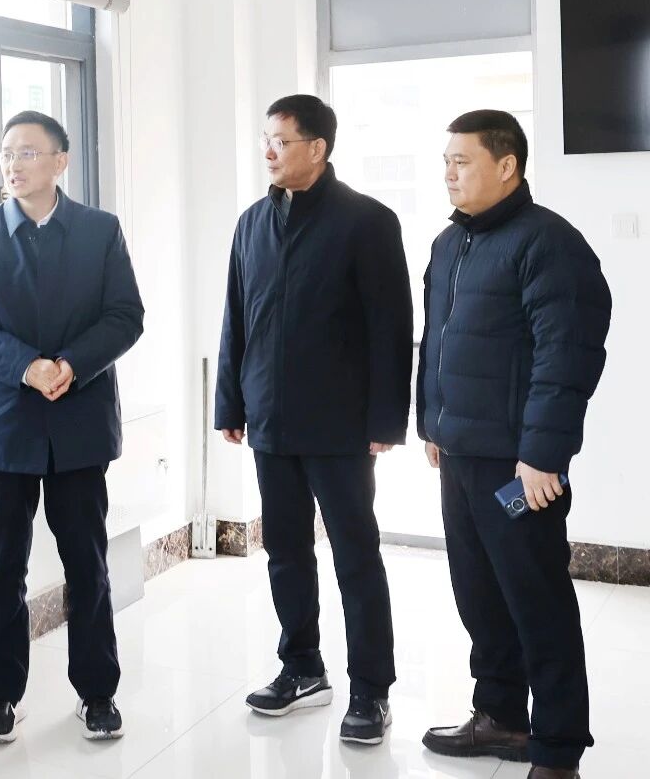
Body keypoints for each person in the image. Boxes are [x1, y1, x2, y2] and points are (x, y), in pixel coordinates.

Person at [417, 109, 611, 779]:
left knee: (536, 600)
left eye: (462, 161)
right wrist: (432, 425)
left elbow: (567, 355)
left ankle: (557, 749)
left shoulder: (548, 243)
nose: (449, 172)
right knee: (479, 593)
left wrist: (543, 456)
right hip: (460, 456)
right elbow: (436, 343)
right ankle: (499, 714)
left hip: (516, 468)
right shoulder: (449, 244)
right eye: (445, 161)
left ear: (507, 165)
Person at [214, 94, 413, 745]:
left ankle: (371, 690)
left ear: (317, 148)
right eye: (265, 140)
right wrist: (230, 403)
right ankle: (301, 668)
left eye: (281, 140)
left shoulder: (367, 221)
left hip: (341, 424)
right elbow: (236, 316)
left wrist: (386, 419)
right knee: (285, 550)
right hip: (270, 419)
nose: (268, 151)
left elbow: (391, 328)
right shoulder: (252, 222)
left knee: (355, 554)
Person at [0, 110, 144, 745]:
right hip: (6, 425)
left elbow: (125, 315)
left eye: (28, 152)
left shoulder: (99, 231)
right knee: (3, 567)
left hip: (79, 423)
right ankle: (1, 696)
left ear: (61, 161)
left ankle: (97, 694)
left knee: (87, 563)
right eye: (7, 154)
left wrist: (71, 365)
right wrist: (26, 367)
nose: (14, 164)